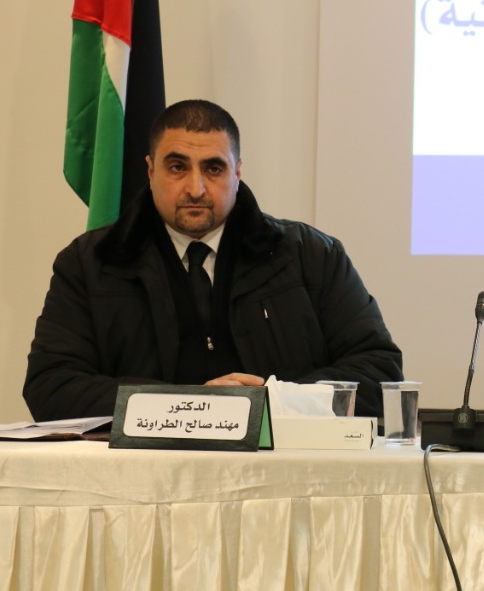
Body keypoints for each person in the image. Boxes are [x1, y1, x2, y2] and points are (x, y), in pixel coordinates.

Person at [25, 99, 403, 422]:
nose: (196, 188)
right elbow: (50, 386)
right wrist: (189, 406)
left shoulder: (312, 255)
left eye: (213, 168)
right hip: (140, 473)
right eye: (177, 167)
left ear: (237, 173)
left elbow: (380, 375)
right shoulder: (90, 262)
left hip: (281, 472)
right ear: (150, 171)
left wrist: (276, 401)